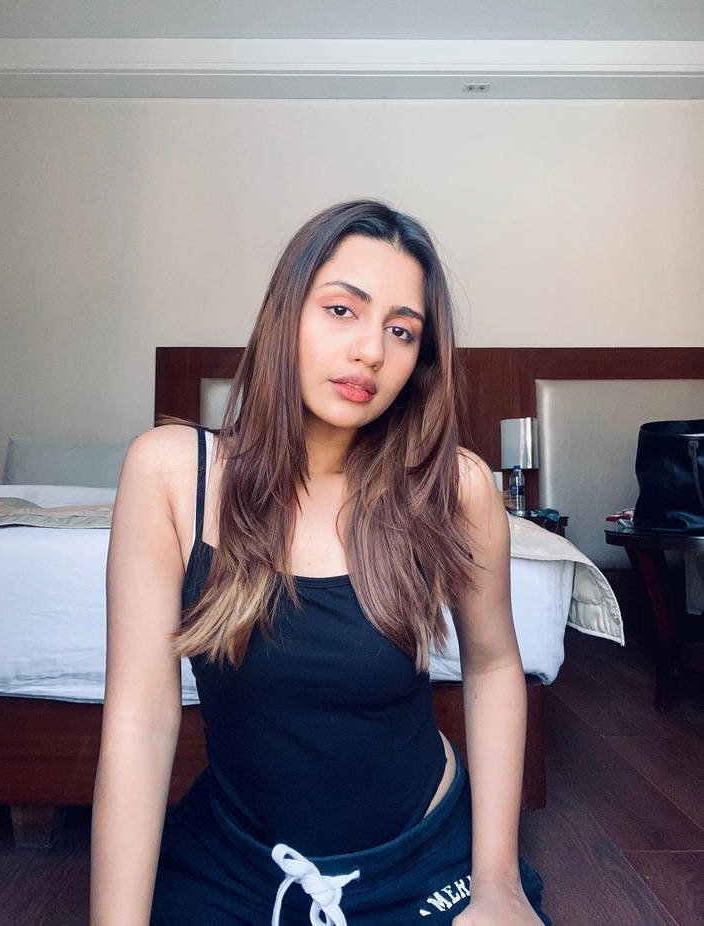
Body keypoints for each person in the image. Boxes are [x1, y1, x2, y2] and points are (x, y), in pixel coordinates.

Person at [90, 200, 551, 926]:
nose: (371, 351)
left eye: (401, 330)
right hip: (237, 863)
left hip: (421, 857)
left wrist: (497, 883)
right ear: (287, 316)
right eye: (342, 310)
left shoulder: (456, 488)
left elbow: (493, 666)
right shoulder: (171, 473)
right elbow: (141, 721)